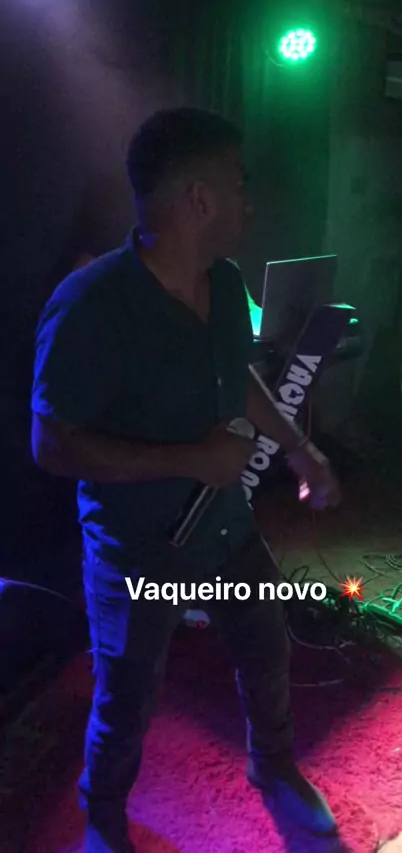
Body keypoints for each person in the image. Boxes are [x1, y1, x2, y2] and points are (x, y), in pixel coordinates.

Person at [31, 108, 341, 853]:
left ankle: (272, 766)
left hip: (226, 528)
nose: (249, 203)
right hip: (140, 552)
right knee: (128, 697)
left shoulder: (226, 283)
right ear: (198, 198)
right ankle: (104, 817)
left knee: (267, 644)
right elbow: (51, 445)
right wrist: (190, 460)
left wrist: (299, 447)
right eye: (239, 185)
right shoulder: (91, 304)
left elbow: (239, 379)